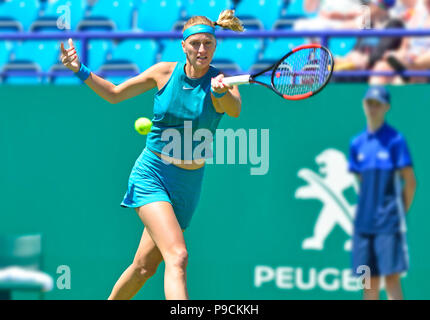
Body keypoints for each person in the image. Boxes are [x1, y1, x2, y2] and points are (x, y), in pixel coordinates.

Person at [60, 10, 243, 300]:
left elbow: (234, 109)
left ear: (215, 46)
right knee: (178, 256)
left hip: (189, 185)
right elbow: (115, 93)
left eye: (208, 44)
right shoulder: (163, 73)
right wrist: (79, 69)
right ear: (183, 45)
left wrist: (220, 93)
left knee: (144, 267)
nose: (201, 50)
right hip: (153, 174)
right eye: (195, 43)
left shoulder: (222, 83)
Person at [348, 86, 416, 300]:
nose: (373, 108)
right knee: (369, 282)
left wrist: (398, 214)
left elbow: (411, 182)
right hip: (363, 225)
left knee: (392, 279)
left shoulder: (396, 140)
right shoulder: (356, 143)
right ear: (363, 105)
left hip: (388, 224)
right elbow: (361, 182)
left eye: (377, 104)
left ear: (386, 107)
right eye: (369, 103)